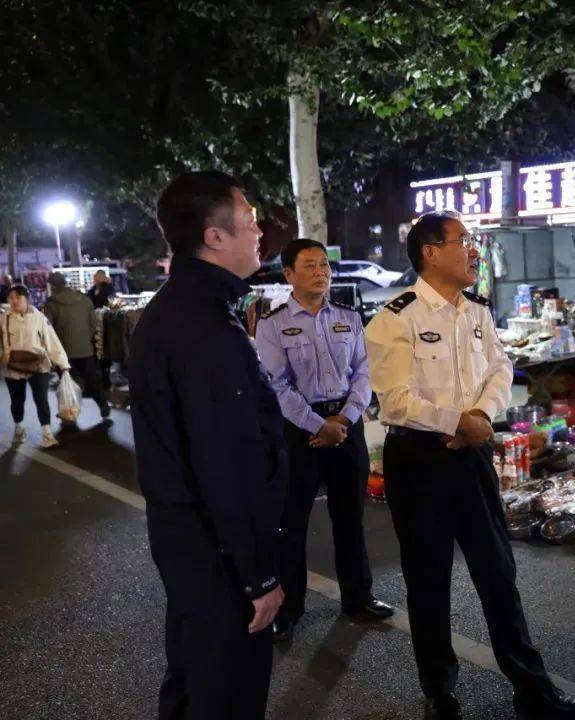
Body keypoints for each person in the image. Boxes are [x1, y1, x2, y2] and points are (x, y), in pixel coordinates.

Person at [365, 211, 575, 720]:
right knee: (428, 578)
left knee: (498, 573)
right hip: (419, 461)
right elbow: (395, 402)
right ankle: (440, 693)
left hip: (473, 456)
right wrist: (456, 421)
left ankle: (532, 689)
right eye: (463, 241)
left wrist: (481, 416)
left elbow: (502, 368)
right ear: (430, 252)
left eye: (472, 241)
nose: (473, 250)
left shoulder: (477, 312)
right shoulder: (395, 318)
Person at [128, 171, 287, 720]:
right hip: (219, 562)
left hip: (193, 552)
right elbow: (227, 466)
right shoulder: (203, 328)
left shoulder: (180, 310)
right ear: (214, 237)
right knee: (226, 696)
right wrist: (258, 577)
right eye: (247, 221)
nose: (259, 231)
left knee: (193, 687)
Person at [255, 238, 392, 642]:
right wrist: (317, 425)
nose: (321, 273)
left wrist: (345, 419)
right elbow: (276, 386)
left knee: (350, 519)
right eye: (310, 266)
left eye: (324, 267)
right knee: (291, 525)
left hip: (346, 428)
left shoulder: (349, 318)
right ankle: (290, 609)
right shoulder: (273, 324)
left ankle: (358, 598)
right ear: (289, 274)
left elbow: (364, 373)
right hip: (299, 433)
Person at [1, 284, 70, 448]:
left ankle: (47, 433)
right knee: (17, 401)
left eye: (18, 297)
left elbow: (51, 340)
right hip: (13, 367)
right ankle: (19, 427)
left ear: (27, 298)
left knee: (41, 400)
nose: (14, 301)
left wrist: (63, 364)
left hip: (38, 365)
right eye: (11, 298)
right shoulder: (4, 318)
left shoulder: (39, 318)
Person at [44, 271, 109, 421]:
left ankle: (70, 411)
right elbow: (93, 323)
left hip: (64, 351)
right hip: (85, 348)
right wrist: (86, 337)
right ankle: (103, 405)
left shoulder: (51, 303)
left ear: (52, 286)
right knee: (92, 379)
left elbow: (48, 328)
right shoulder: (85, 299)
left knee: (68, 382)